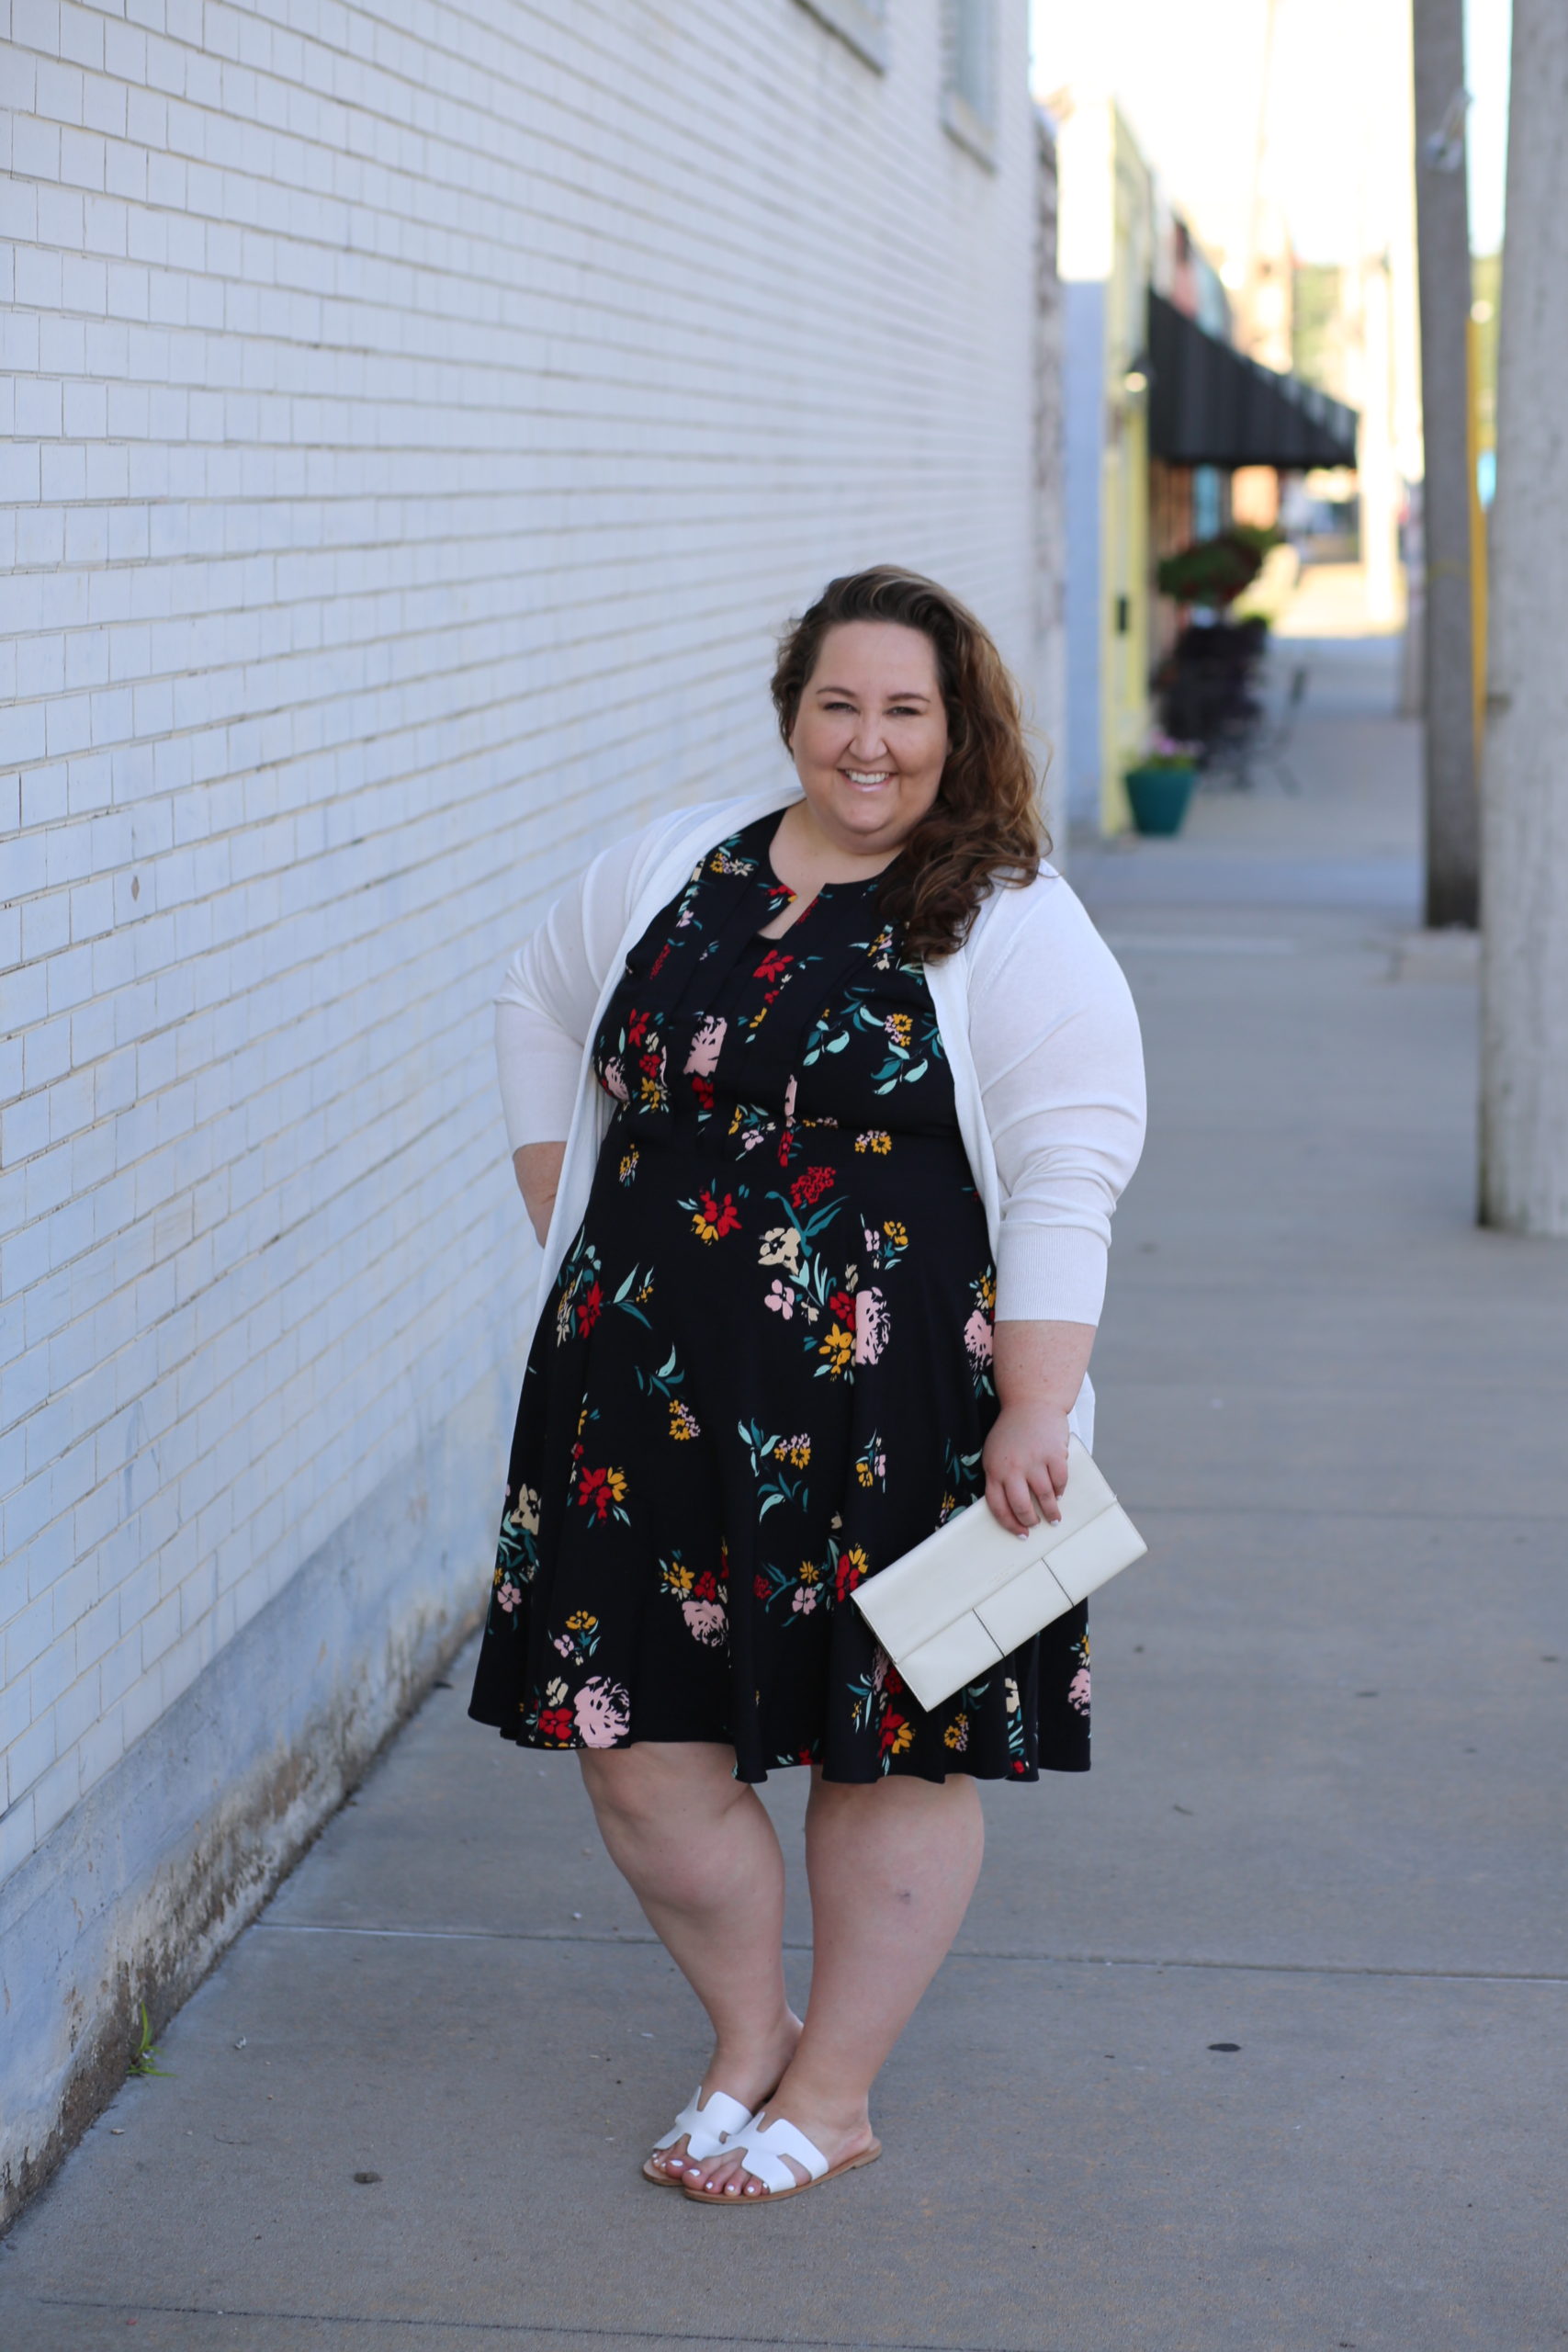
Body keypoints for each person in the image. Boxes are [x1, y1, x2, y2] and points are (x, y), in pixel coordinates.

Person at [469, 566, 1145, 2203]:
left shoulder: (1009, 911)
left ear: (956, 730)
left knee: (888, 1749)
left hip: (899, 1403)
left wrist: (1039, 1410)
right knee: (634, 1743)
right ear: (792, 712)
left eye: (905, 711)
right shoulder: (669, 866)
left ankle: (831, 2092)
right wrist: (584, 1237)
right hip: (640, 1393)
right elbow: (541, 1004)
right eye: (838, 704)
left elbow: (1070, 1164)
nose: (867, 742)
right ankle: (746, 2032)